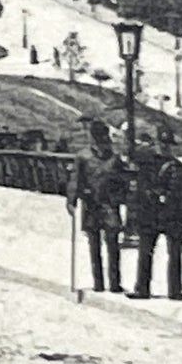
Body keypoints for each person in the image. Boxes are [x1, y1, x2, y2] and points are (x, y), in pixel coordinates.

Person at [129, 126, 182, 301]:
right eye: (162, 143)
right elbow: (140, 190)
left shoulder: (174, 166)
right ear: (156, 143)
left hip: (168, 215)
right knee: (146, 252)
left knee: (173, 254)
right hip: (154, 214)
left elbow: (181, 192)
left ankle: (173, 290)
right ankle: (143, 288)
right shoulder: (148, 164)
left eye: (167, 144)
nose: (165, 147)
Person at [66, 119, 126, 293]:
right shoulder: (83, 157)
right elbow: (75, 180)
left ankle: (115, 283)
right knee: (94, 245)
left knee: (113, 245)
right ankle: (98, 282)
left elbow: (122, 181)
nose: (101, 141)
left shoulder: (115, 159)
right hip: (91, 205)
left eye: (103, 137)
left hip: (110, 206)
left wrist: (120, 198)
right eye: (98, 137)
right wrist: (72, 200)